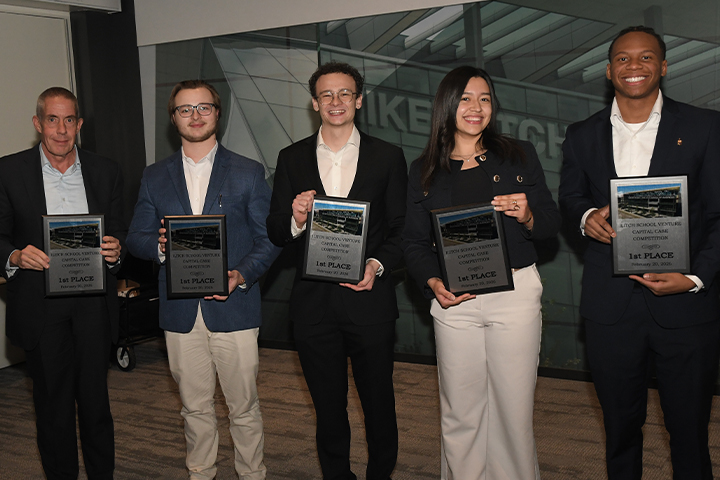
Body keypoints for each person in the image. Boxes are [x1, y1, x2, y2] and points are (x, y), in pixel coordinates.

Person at [559, 26, 720, 479]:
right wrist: (587, 214)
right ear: (610, 71)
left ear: (663, 67)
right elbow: (569, 197)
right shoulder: (581, 134)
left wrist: (694, 278)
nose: (635, 66)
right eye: (624, 59)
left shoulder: (705, 127)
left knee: (689, 431)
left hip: (687, 306)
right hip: (610, 309)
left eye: (646, 57)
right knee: (620, 430)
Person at [401, 66, 561, 480]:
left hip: (514, 295)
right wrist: (433, 284)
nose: (476, 107)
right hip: (454, 302)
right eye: (466, 98)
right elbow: (414, 243)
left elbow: (548, 223)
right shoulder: (423, 171)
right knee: (460, 411)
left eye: (485, 98)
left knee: (512, 411)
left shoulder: (519, 154)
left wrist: (527, 215)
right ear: (447, 105)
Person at [126, 80, 280, 480]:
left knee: (243, 406)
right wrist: (160, 247)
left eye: (203, 107)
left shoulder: (247, 172)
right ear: (173, 117)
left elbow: (270, 240)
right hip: (179, 312)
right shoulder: (154, 175)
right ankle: (201, 473)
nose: (195, 116)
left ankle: (252, 474)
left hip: (235, 307)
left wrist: (240, 275)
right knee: (193, 406)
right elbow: (136, 236)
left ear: (217, 112)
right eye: (185, 109)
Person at [266, 61, 407, 480]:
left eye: (345, 93)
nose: (336, 101)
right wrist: (294, 217)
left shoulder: (388, 156)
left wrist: (376, 264)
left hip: (370, 302)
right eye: (326, 94)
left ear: (359, 100)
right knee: (328, 408)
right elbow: (275, 231)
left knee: (379, 403)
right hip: (314, 307)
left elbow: (401, 230)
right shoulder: (291, 158)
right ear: (314, 103)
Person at [0, 87, 125, 479]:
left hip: (93, 303)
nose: (61, 129)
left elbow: (120, 231)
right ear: (38, 123)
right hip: (41, 305)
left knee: (95, 404)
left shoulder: (105, 170)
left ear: (79, 125)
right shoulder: (8, 171)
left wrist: (116, 250)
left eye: (69, 120)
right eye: (52, 119)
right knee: (52, 407)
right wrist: (16, 256)